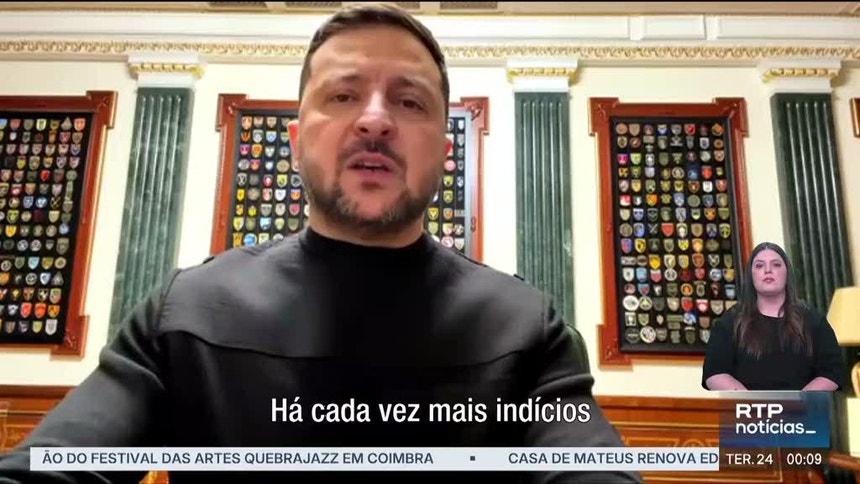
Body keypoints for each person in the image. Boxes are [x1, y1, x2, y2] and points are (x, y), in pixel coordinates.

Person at [0, 4, 639, 483]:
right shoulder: (186, 312)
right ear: (297, 137)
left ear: (445, 152)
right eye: (343, 95)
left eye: (410, 102)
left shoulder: (525, 327)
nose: (375, 119)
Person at [702, 241, 846, 391]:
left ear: (787, 273)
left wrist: (800, 400)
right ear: (751, 275)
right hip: (746, 405)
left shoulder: (813, 319)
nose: (768, 270)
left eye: (776, 265)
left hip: (804, 405)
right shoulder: (730, 321)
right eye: (759, 266)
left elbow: (832, 372)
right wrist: (751, 401)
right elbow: (715, 373)